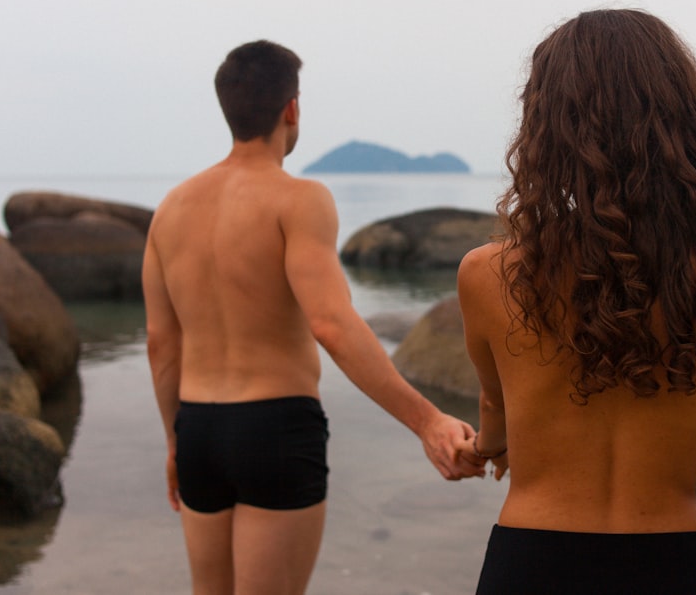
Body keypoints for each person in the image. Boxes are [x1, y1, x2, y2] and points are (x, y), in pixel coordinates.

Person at [454, 9, 696, 594]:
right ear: (686, 121)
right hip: (676, 565)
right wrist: (668, 371)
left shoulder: (487, 274)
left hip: (531, 562)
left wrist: (480, 448)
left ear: (545, 122)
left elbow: (498, 409)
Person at [143, 40, 483, 595]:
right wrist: (428, 422)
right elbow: (331, 323)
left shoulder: (171, 210)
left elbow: (161, 344)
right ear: (291, 109)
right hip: (275, 425)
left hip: (198, 426)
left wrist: (176, 444)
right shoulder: (299, 200)